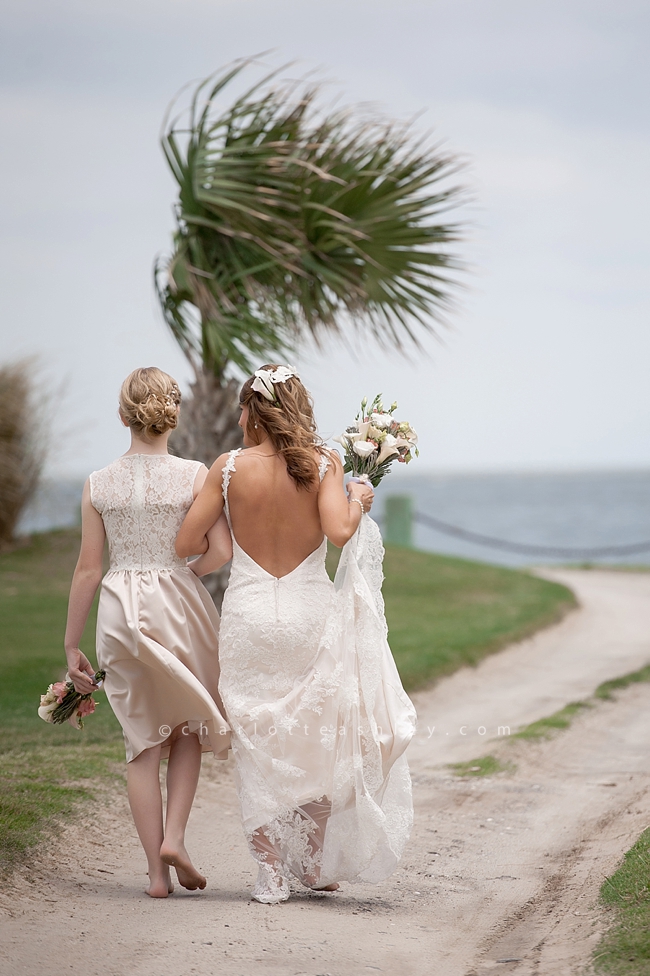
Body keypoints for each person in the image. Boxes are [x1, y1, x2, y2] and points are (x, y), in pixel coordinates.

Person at [176, 364, 416, 904]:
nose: (238, 420)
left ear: (255, 410)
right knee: (315, 735)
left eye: (242, 409)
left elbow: (188, 541)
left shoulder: (229, 468)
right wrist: (360, 497)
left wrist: (225, 527)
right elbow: (338, 530)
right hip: (310, 613)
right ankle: (310, 862)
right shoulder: (323, 463)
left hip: (249, 613)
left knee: (258, 742)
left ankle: (270, 873)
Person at [64, 367, 231, 899]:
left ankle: (157, 877)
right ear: (173, 414)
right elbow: (220, 552)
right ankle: (175, 838)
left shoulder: (98, 483)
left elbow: (88, 568)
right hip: (178, 605)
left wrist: (72, 644)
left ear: (122, 417)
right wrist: (184, 575)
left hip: (118, 610)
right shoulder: (194, 475)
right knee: (185, 725)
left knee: (140, 743)